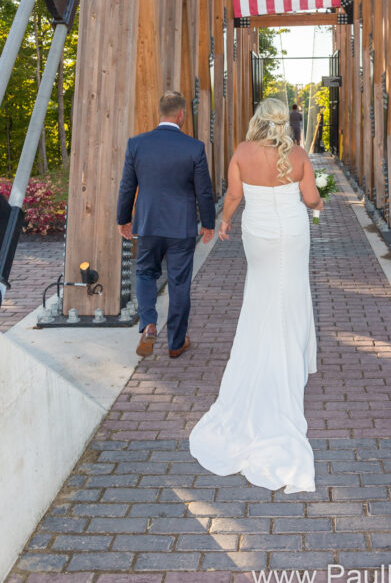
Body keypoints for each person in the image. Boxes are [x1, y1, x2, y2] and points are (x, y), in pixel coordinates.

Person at [189, 97, 324, 493]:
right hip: (294, 232)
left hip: (260, 231)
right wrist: (321, 201)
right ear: (284, 123)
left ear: (257, 121)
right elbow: (312, 199)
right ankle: (292, 356)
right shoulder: (297, 154)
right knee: (293, 290)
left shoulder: (242, 152)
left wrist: (224, 221)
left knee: (261, 290)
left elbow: (233, 196)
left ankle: (261, 349)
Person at [116, 90, 215, 359]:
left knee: (146, 272)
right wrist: (208, 223)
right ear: (181, 114)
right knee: (179, 282)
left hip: (148, 223)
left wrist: (123, 219)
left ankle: (149, 322)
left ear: (160, 113)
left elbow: (127, 186)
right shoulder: (193, 147)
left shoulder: (137, 144)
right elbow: (204, 191)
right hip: (180, 226)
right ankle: (176, 342)